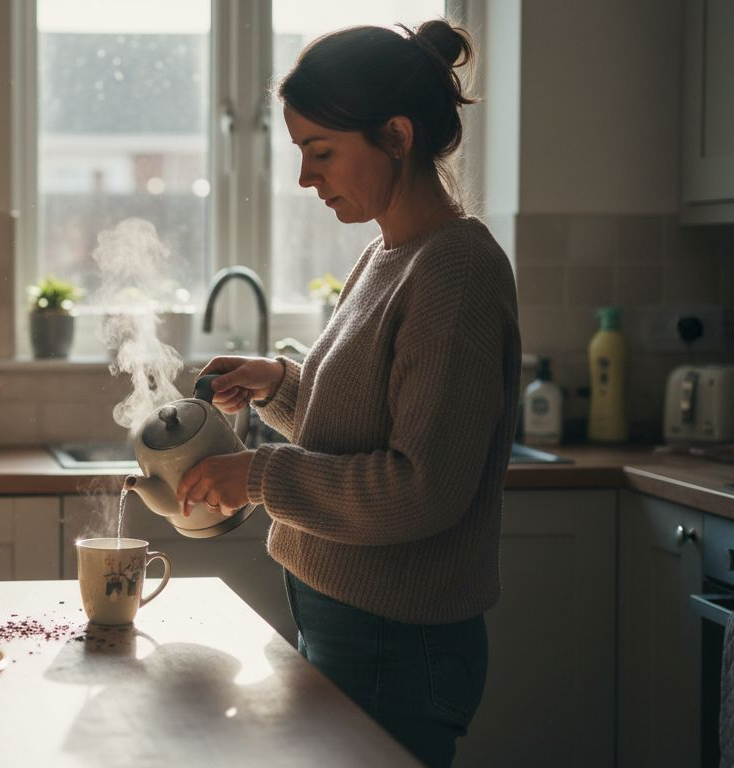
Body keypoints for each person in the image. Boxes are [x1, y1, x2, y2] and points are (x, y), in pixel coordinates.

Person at [174, 19, 520, 768]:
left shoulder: (454, 273)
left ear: (396, 135)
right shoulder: (387, 256)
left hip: (396, 644)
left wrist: (258, 476)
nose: (306, 179)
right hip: (350, 625)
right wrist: (281, 386)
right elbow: (368, 429)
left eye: (320, 152)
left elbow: (419, 488)